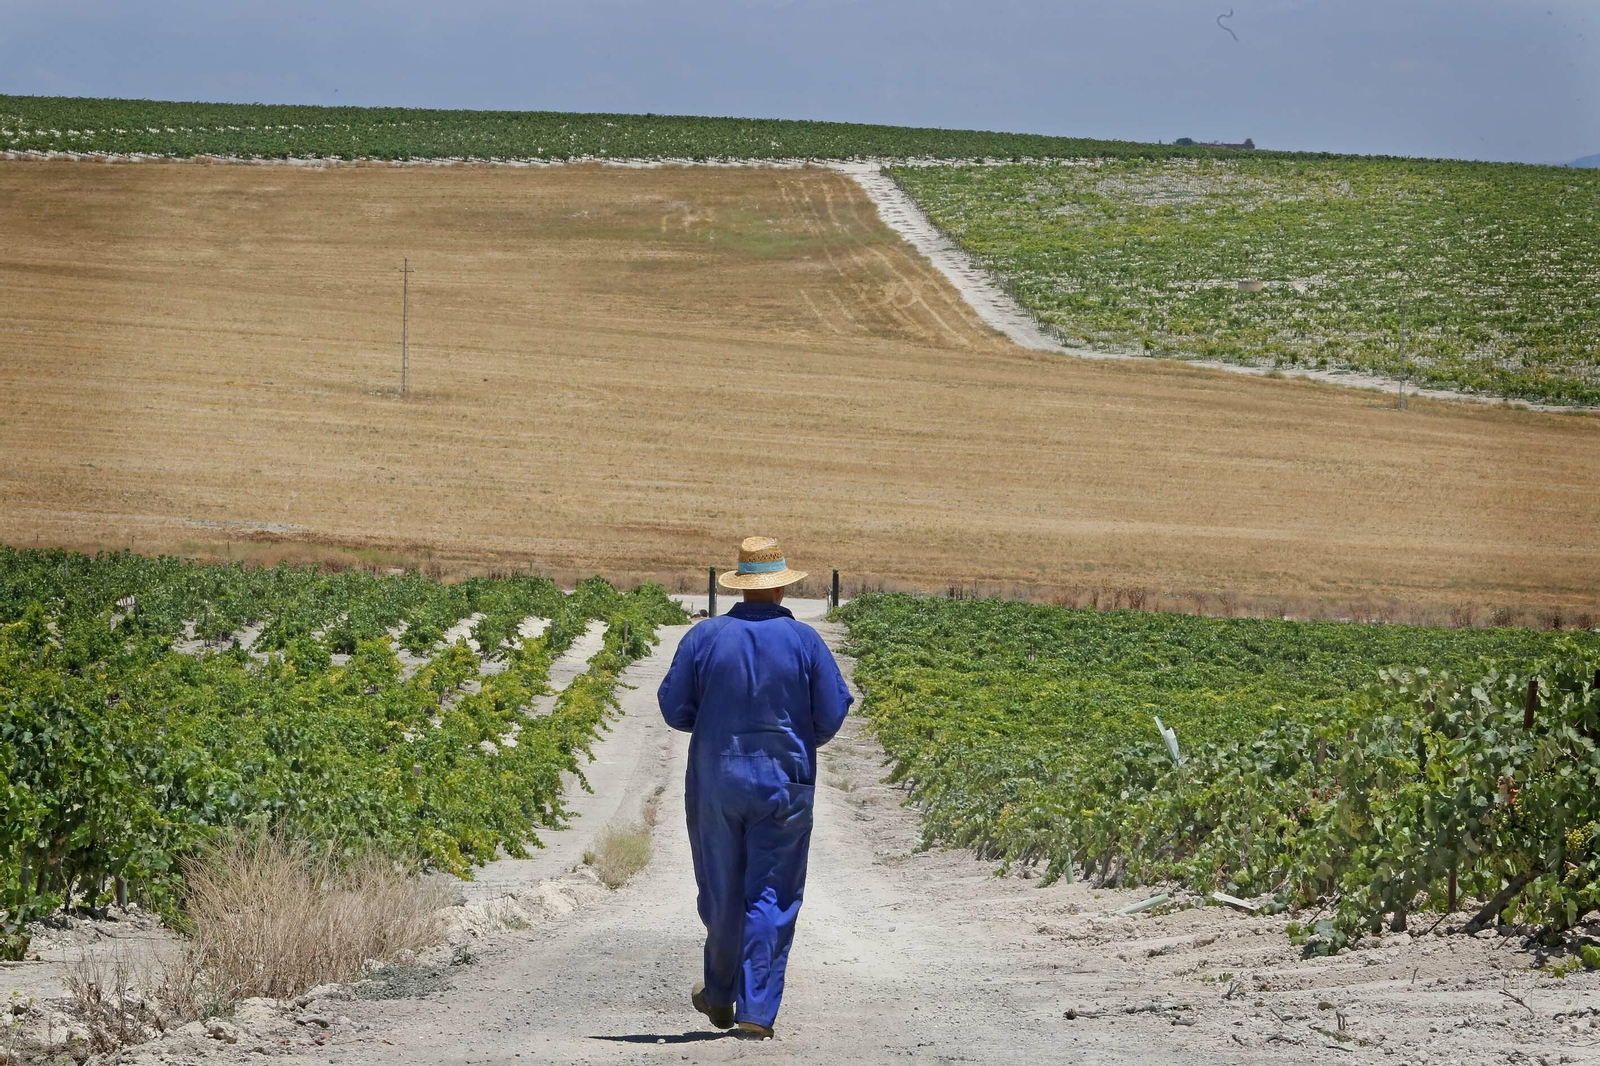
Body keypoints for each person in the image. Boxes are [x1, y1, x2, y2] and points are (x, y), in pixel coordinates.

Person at [657, 536, 853, 1040]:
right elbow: (832, 713)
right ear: (782, 589)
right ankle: (756, 1013)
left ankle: (719, 993)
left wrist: (715, 727)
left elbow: (673, 708)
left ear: (740, 587)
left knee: (721, 890)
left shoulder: (705, 637)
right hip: (786, 782)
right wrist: (797, 740)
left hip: (716, 781)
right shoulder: (805, 641)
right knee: (772, 893)